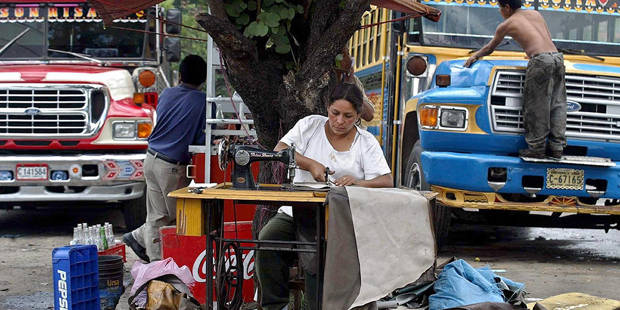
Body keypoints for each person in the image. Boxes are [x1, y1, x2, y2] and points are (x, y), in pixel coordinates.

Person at [255, 83, 393, 310]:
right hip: (296, 211)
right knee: (268, 239)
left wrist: (357, 182)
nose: (339, 121)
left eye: (348, 116)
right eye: (334, 113)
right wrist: (310, 164)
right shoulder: (310, 126)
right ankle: (276, 306)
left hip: (341, 219)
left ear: (358, 115)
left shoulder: (365, 142)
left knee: (318, 252)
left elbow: (386, 181)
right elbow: (280, 150)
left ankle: (317, 306)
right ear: (327, 108)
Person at [123, 55, 207, 262]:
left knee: (156, 215)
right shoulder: (203, 101)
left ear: (179, 75)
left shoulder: (167, 93)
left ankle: (152, 259)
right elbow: (201, 139)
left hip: (151, 158)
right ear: (204, 79)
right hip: (171, 166)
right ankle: (160, 263)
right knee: (178, 216)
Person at [464, 0, 566, 159]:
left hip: (540, 61)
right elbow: (543, 39)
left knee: (537, 107)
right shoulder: (535, 14)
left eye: (500, 7)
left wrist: (475, 56)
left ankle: (537, 148)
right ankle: (556, 147)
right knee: (557, 104)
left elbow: (490, 48)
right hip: (557, 58)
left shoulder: (507, 24)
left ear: (507, 7)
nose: (500, 11)